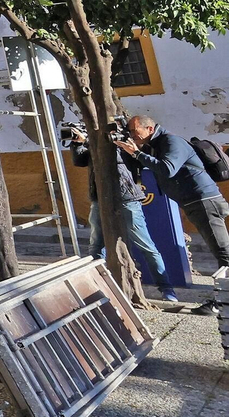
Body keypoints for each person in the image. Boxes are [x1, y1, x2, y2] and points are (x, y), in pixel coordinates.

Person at [119, 115, 229, 312]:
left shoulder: (171, 141)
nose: (133, 135)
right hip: (196, 202)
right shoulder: (154, 145)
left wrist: (136, 153)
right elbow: (139, 167)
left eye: (135, 131)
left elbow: (167, 169)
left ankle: (222, 303)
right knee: (221, 250)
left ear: (149, 129)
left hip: (204, 201)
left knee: (224, 252)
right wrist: (129, 151)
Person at [67, 124, 177, 302]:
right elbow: (79, 161)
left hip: (127, 198)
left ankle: (166, 288)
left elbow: (114, 158)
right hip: (100, 198)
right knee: (96, 243)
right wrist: (77, 144)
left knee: (145, 245)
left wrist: (88, 141)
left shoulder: (124, 142)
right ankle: (97, 285)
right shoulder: (93, 145)